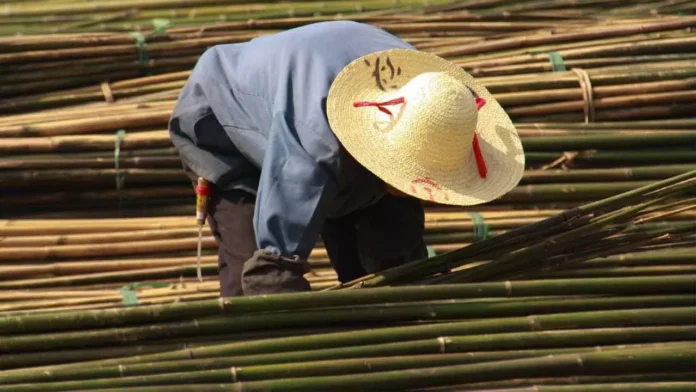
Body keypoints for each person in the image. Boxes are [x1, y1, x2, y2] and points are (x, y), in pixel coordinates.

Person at [168, 21, 525, 297]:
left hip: (327, 99)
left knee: (394, 260)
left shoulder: (433, 99)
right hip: (225, 120)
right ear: (390, 152)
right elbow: (273, 270)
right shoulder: (314, 152)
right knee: (250, 273)